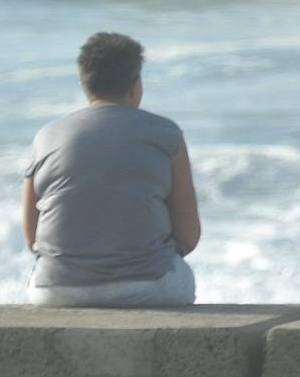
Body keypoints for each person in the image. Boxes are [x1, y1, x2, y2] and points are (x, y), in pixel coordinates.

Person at [22, 31, 202, 307]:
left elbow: (32, 238)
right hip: (149, 287)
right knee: (182, 275)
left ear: (86, 84)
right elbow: (189, 236)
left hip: (56, 290)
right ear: (135, 85)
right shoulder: (166, 134)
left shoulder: (45, 137)